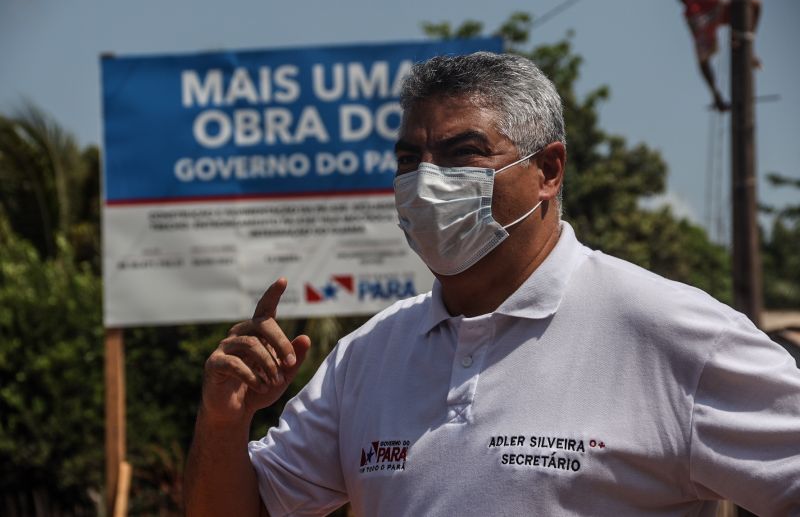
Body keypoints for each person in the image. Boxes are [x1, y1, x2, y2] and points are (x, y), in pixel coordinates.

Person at [185, 52, 800, 516]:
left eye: (462, 153)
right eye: (409, 160)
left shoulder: (669, 332)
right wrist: (223, 422)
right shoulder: (368, 358)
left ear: (548, 172)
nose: (426, 182)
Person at [678, 0, 761, 112]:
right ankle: (744, 47)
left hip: (704, 11)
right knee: (753, 6)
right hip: (704, 12)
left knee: (753, 6)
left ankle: (744, 46)